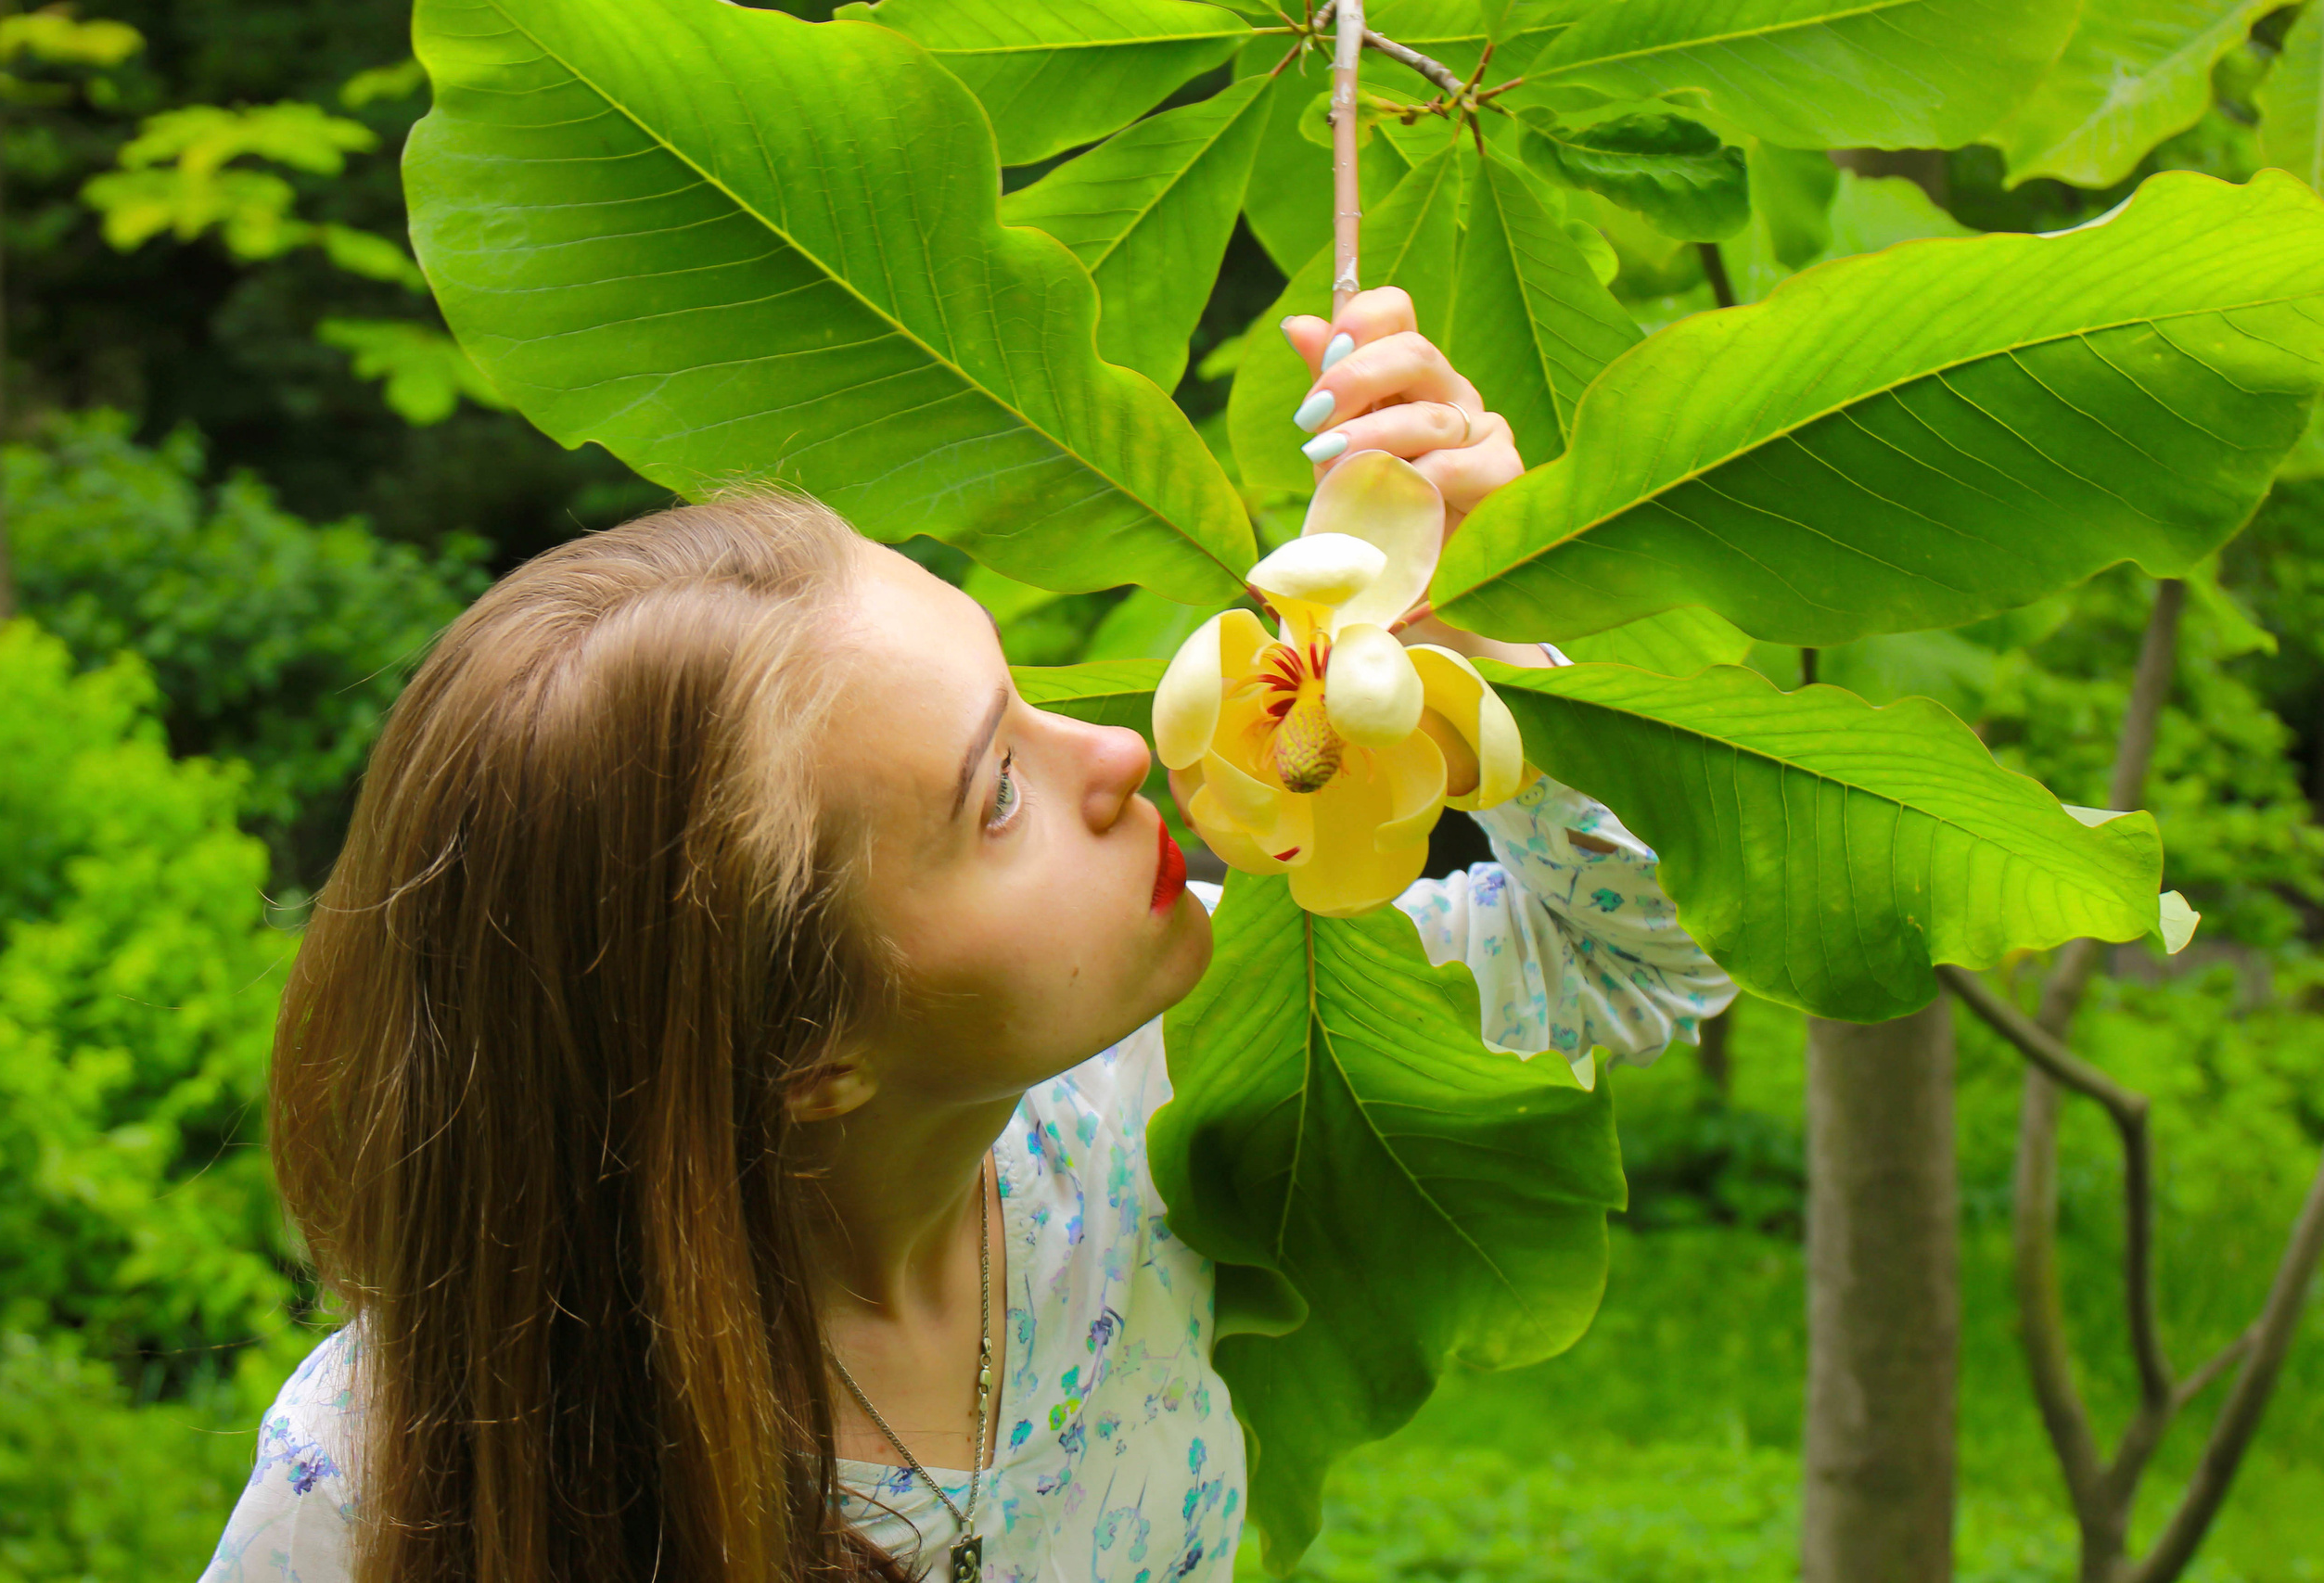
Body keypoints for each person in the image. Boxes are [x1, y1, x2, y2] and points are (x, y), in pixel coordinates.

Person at [198, 290, 1732, 1583]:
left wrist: (1480, 643)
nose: (1119, 752)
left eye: (1023, 697)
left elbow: (1641, 957)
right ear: (807, 1055)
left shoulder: (1155, 1079)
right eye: (994, 790)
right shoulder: (372, 1490)